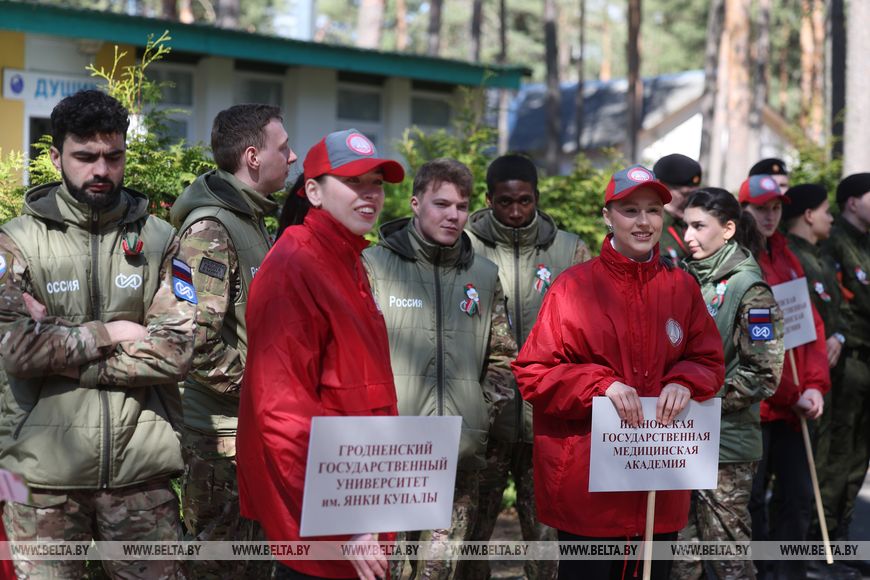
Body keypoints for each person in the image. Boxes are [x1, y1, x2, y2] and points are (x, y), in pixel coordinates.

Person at [0, 89, 196, 578]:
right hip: (39, 482)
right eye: (85, 157)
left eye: (113, 156)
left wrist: (60, 351)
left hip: (142, 478)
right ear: (56, 157)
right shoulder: (15, 241)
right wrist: (110, 330)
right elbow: (15, 351)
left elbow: (176, 351)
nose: (101, 170)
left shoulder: (160, 240)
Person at [513, 165, 725, 580]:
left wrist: (685, 382)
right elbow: (533, 373)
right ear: (608, 216)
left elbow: (709, 361)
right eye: (630, 210)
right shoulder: (572, 287)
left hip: (658, 485)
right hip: (590, 492)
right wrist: (601, 385)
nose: (644, 222)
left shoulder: (682, 287)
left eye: (653, 210)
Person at [236, 129, 404, 580]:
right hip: (326, 523)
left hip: (356, 505)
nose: (369, 194)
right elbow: (284, 413)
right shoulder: (294, 265)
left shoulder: (345, 258)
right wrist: (346, 521)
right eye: (352, 182)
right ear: (313, 191)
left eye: (376, 183)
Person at [362, 158, 516, 580]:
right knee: (386, 570)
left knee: (439, 572)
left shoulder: (483, 275)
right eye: (441, 204)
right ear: (415, 204)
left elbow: (503, 356)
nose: (453, 215)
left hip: (456, 457)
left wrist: (479, 412)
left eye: (462, 206)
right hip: (388, 457)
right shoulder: (373, 265)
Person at [170, 104, 296, 577]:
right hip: (220, 438)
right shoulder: (212, 229)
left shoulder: (251, 219)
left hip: (249, 429)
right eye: (284, 147)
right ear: (253, 157)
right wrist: (264, 390)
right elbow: (195, 342)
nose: (293, 156)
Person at [464, 154, 590, 580]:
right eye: (504, 202)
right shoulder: (464, 245)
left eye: (524, 201)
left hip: (548, 420)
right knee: (470, 539)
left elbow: (588, 331)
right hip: (486, 421)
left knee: (548, 541)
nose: (515, 211)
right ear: (488, 199)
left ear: (537, 197)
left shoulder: (569, 250)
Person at [671, 188, 784, 580]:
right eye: (686, 226)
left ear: (729, 229)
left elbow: (763, 372)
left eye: (699, 226)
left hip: (727, 446)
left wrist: (700, 399)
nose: (688, 236)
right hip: (679, 440)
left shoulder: (750, 289)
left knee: (728, 560)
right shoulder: (685, 277)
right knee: (681, 559)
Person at [740, 174, 831, 580]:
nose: (770, 216)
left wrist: (814, 385)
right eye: (761, 208)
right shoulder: (742, 261)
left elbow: (808, 326)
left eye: (776, 208)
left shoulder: (787, 257)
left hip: (793, 407)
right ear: (743, 210)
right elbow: (756, 346)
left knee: (797, 498)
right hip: (758, 408)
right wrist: (792, 392)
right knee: (752, 503)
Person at [817, 174, 870, 549]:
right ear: (852, 202)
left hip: (866, 358)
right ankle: (819, 537)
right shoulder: (834, 243)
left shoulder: (865, 243)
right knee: (837, 448)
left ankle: (841, 536)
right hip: (846, 359)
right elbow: (840, 303)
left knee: (860, 453)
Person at [653, 153, 703, 266]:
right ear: (662, 188)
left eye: (694, 194)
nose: (690, 200)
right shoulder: (650, 226)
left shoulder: (691, 224)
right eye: (685, 194)